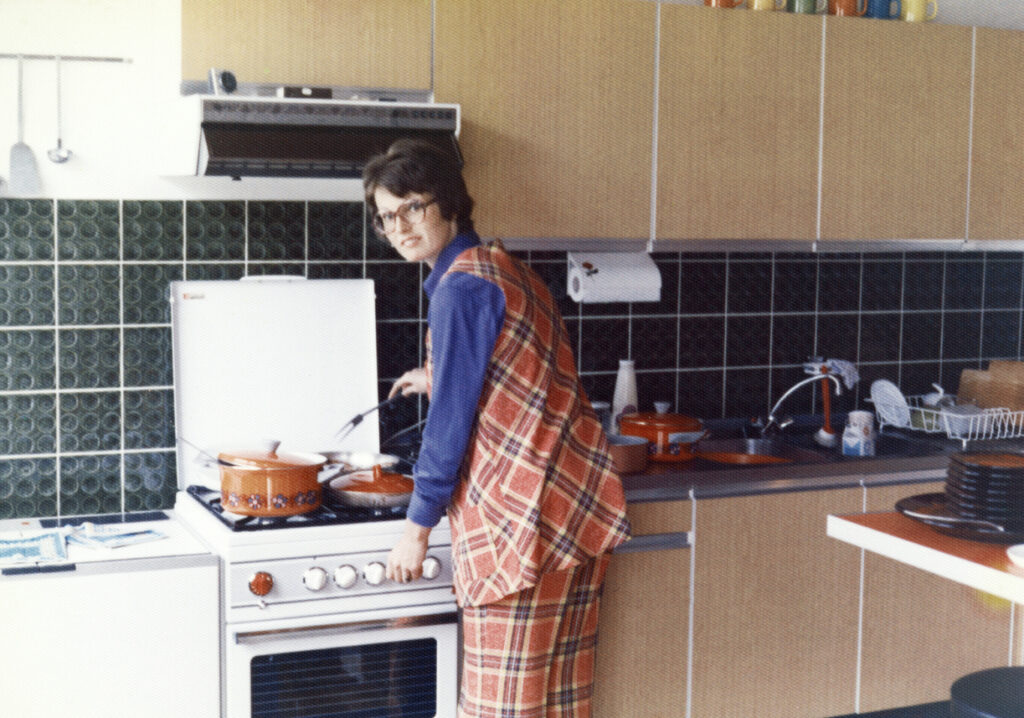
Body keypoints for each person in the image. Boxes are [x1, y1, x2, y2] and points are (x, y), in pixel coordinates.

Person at [362, 138, 631, 718]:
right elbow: (520, 365)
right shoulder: (505, 269)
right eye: (387, 217)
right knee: (560, 701)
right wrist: (439, 373)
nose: (400, 226)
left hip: (518, 522)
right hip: (575, 510)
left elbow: (450, 427)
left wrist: (417, 525)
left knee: (502, 708)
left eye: (413, 206)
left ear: (450, 203)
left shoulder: (460, 289)